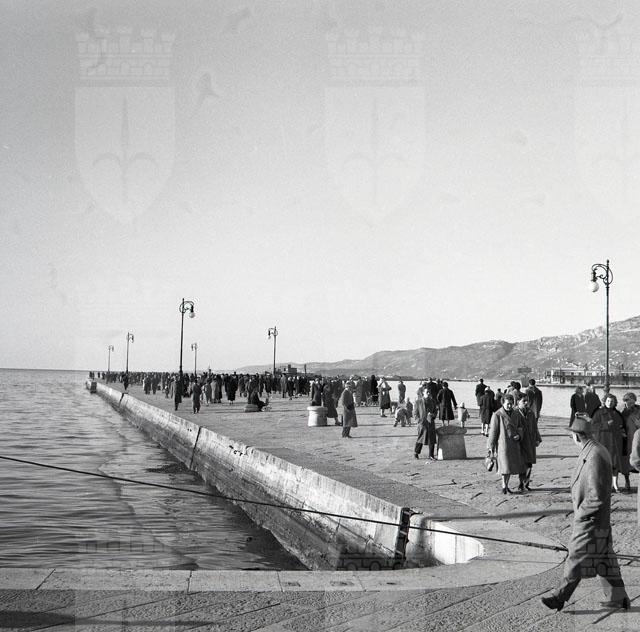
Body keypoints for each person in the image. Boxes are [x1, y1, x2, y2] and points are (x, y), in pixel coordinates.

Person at [541, 414, 629, 612]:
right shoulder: (592, 449)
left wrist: (581, 515)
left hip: (590, 519)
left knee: (576, 557)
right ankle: (619, 598)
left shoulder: (595, 454)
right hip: (598, 520)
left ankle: (559, 597)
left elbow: (597, 496)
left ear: (576, 436)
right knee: (605, 559)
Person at [487, 394, 524, 494]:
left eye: (511, 404)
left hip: (514, 444)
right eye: (508, 404)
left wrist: (519, 435)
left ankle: (506, 486)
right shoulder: (497, 415)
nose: (510, 406)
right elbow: (493, 432)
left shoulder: (516, 414)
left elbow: (520, 427)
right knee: (505, 466)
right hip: (503, 445)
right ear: (503, 403)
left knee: (510, 467)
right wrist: (491, 447)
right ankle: (504, 485)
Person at [591, 394, 626, 493]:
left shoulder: (617, 413)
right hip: (603, 441)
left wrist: (621, 429)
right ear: (605, 402)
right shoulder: (599, 413)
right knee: (604, 464)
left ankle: (615, 484)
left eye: (612, 401)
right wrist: (606, 424)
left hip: (615, 442)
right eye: (608, 401)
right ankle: (604, 485)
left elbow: (621, 425)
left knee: (615, 464)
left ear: (615, 402)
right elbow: (593, 426)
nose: (610, 403)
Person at [513, 395, 541, 491]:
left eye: (527, 401)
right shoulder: (515, 413)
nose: (526, 403)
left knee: (529, 464)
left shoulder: (530, 413)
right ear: (518, 402)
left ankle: (526, 483)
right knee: (522, 464)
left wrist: (537, 439)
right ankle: (521, 483)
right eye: (523, 401)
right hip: (520, 442)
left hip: (530, 442)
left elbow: (535, 427)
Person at [414, 388, 438, 460]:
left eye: (429, 392)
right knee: (421, 438)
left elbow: (435, 411)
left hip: (430, 422)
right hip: (422, 423)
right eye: (427, 392)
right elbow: (415, 413)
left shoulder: (433, 401)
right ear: (423, 393)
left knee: (432, 439)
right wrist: (419, 421)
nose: (428, 393)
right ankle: (416, 453)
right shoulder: (418, 402)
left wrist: (432, 415)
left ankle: (431, 455)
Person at [622, 392, 640, 482]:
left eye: (631, 401)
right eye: (627, 401)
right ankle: (627, 480)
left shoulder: (639, 409)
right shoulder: (623, 412)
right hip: (627, 438)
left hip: (638, 436)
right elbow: (619, 424)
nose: (629, 403)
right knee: (626, 459)